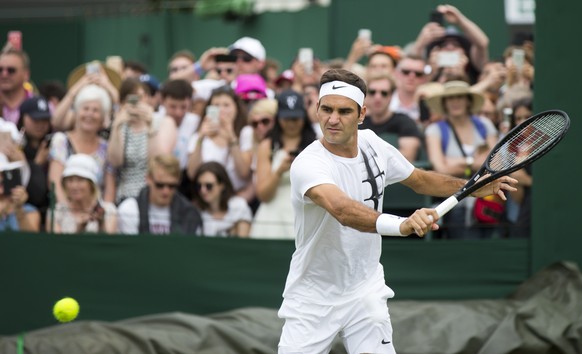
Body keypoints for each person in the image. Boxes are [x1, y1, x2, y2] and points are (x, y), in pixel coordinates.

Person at [277, 69, 517, 353]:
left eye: (344, 111)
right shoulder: (308, 164)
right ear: (316, 109)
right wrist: (402, 225)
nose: (332, 119)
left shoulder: (373, 145)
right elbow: (342, 209)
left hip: (365, 290)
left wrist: (473, 187)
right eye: (326, 109)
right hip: (312, 298)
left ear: (361, 114)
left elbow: (419, 179)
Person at [424, 80, 499, 239]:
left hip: (489, 199)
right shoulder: (435, 130)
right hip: (454, 201)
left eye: (460, 97)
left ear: (468, 101)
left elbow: (496, 163)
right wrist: (474, 162)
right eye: (450, 98)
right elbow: (440, 169)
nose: (455, 102)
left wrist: (456, 162)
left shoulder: (484, 125)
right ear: (444, 103)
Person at [250, 90, 316, 239]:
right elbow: (263, 195)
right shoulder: (267, 146)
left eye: (296, 119)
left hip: (306, 213)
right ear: (278, 118)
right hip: (272, 217)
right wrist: (279, 171)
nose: (291, 124)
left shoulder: (316, 145)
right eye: (287, 119)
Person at [107, 78, 177, 204]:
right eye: (132, 99)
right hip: (126, 197)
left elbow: (159, 160)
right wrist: (116, 126)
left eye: (141, 97)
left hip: (154, 194)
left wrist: (150, 126)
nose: (138, 103)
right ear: (123, 103)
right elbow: (115, 161)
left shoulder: (163, 122)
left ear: (148, 99)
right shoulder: (121, 126)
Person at [48, 84, 117, 204]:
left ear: (102, 118)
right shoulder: (61, 141)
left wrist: (103, 214)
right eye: (85, 108)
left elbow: (109, 190)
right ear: (76, 112)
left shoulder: (106, 147)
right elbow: (54, 183)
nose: (89, 114)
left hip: (96, 215)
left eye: (96, 110)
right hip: (65, 211)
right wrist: (69, 214)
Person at [186, 85, 253, 202]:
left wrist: (231, 137)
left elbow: (243, 172)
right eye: (216, 105)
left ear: (236, 108)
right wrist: (201, 137)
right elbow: (192, 173)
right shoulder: (199, 136)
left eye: (226, 105)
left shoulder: (245, 133)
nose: (221, 110)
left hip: (235, 198)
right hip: (205, 199)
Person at [117, 154, 203, 235]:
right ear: (148, 179)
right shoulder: (130, 209)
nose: (166, 191)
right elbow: (132, 248)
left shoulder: (190, 213)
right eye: (160, 185)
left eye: (172, 186)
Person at [361, 72, 422, 162]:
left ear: (391, 96)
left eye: (384, 93)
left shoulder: (405, 122)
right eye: (372, 92)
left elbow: (408, 157)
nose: (378, 97)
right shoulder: (358, 123)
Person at [48, 154, 117, 234]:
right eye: (70, 180)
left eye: (80, 180)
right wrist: (79, 229)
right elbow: (56, 245)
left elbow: (108, 244)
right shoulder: (56, 212)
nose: (74, 186)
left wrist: (101, 223)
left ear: (91, 184)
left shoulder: (109, 210)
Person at [18, 96, 53, 231]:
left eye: (44, 119)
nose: (40, 124)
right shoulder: (16, 147)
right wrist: (37, 164)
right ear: (23, 118)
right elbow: (33, 194)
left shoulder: (54, 143)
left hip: (49, 210)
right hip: (26, 210)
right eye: (35, 119)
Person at [191, 161, 252, 237]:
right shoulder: (195, 211)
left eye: (209, 186)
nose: (203, 191)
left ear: (222, 185)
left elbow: (244, 242)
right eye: (199, 186)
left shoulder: (238, 205)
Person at [0, 156, 39, 232]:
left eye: (2, 174)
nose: (0, 179)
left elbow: (31, 240)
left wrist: (19, 208)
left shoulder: (30, 210)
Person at [0, 48, 33, 125]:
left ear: (26, 74)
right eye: (0, 70)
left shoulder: (38, 105)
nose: (4, 74)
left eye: (11, 70)